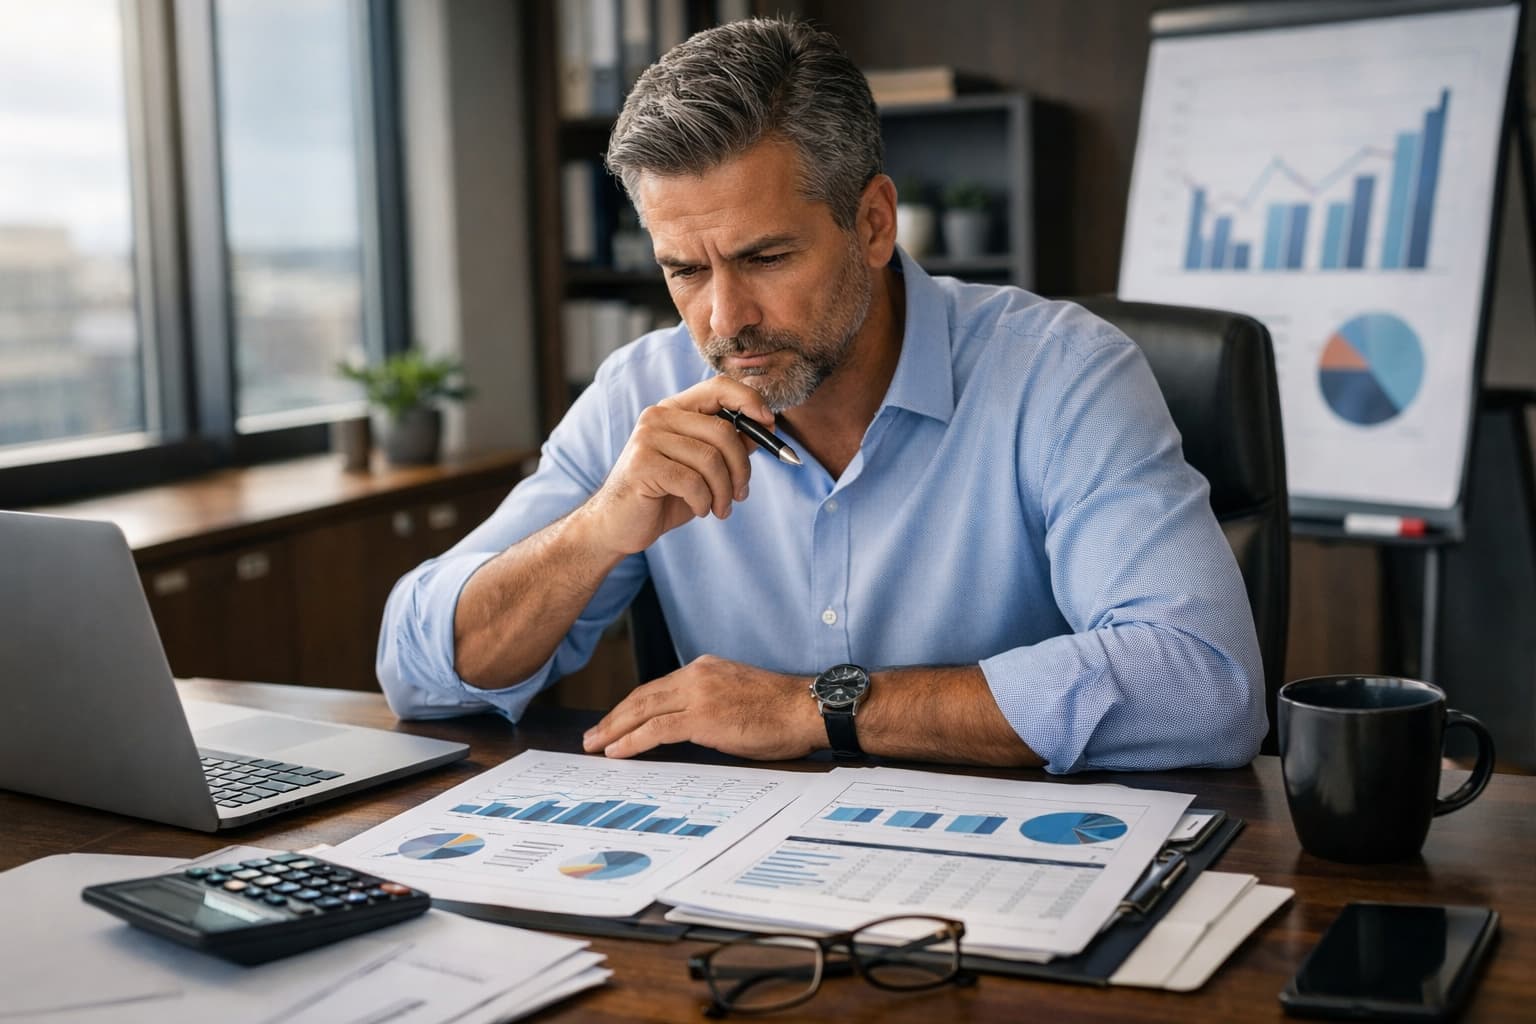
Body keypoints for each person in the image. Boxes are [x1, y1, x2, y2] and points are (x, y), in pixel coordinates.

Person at [377, 17, 1266, 773]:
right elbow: (415, 668)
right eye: (684, 270)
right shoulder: (639, 392)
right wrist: (596, 529)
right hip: (736, 893)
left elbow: (1203, 684)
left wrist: (816, 707)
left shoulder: (1062, 374)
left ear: (872, 223)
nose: (725, 319)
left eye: (766, 258)